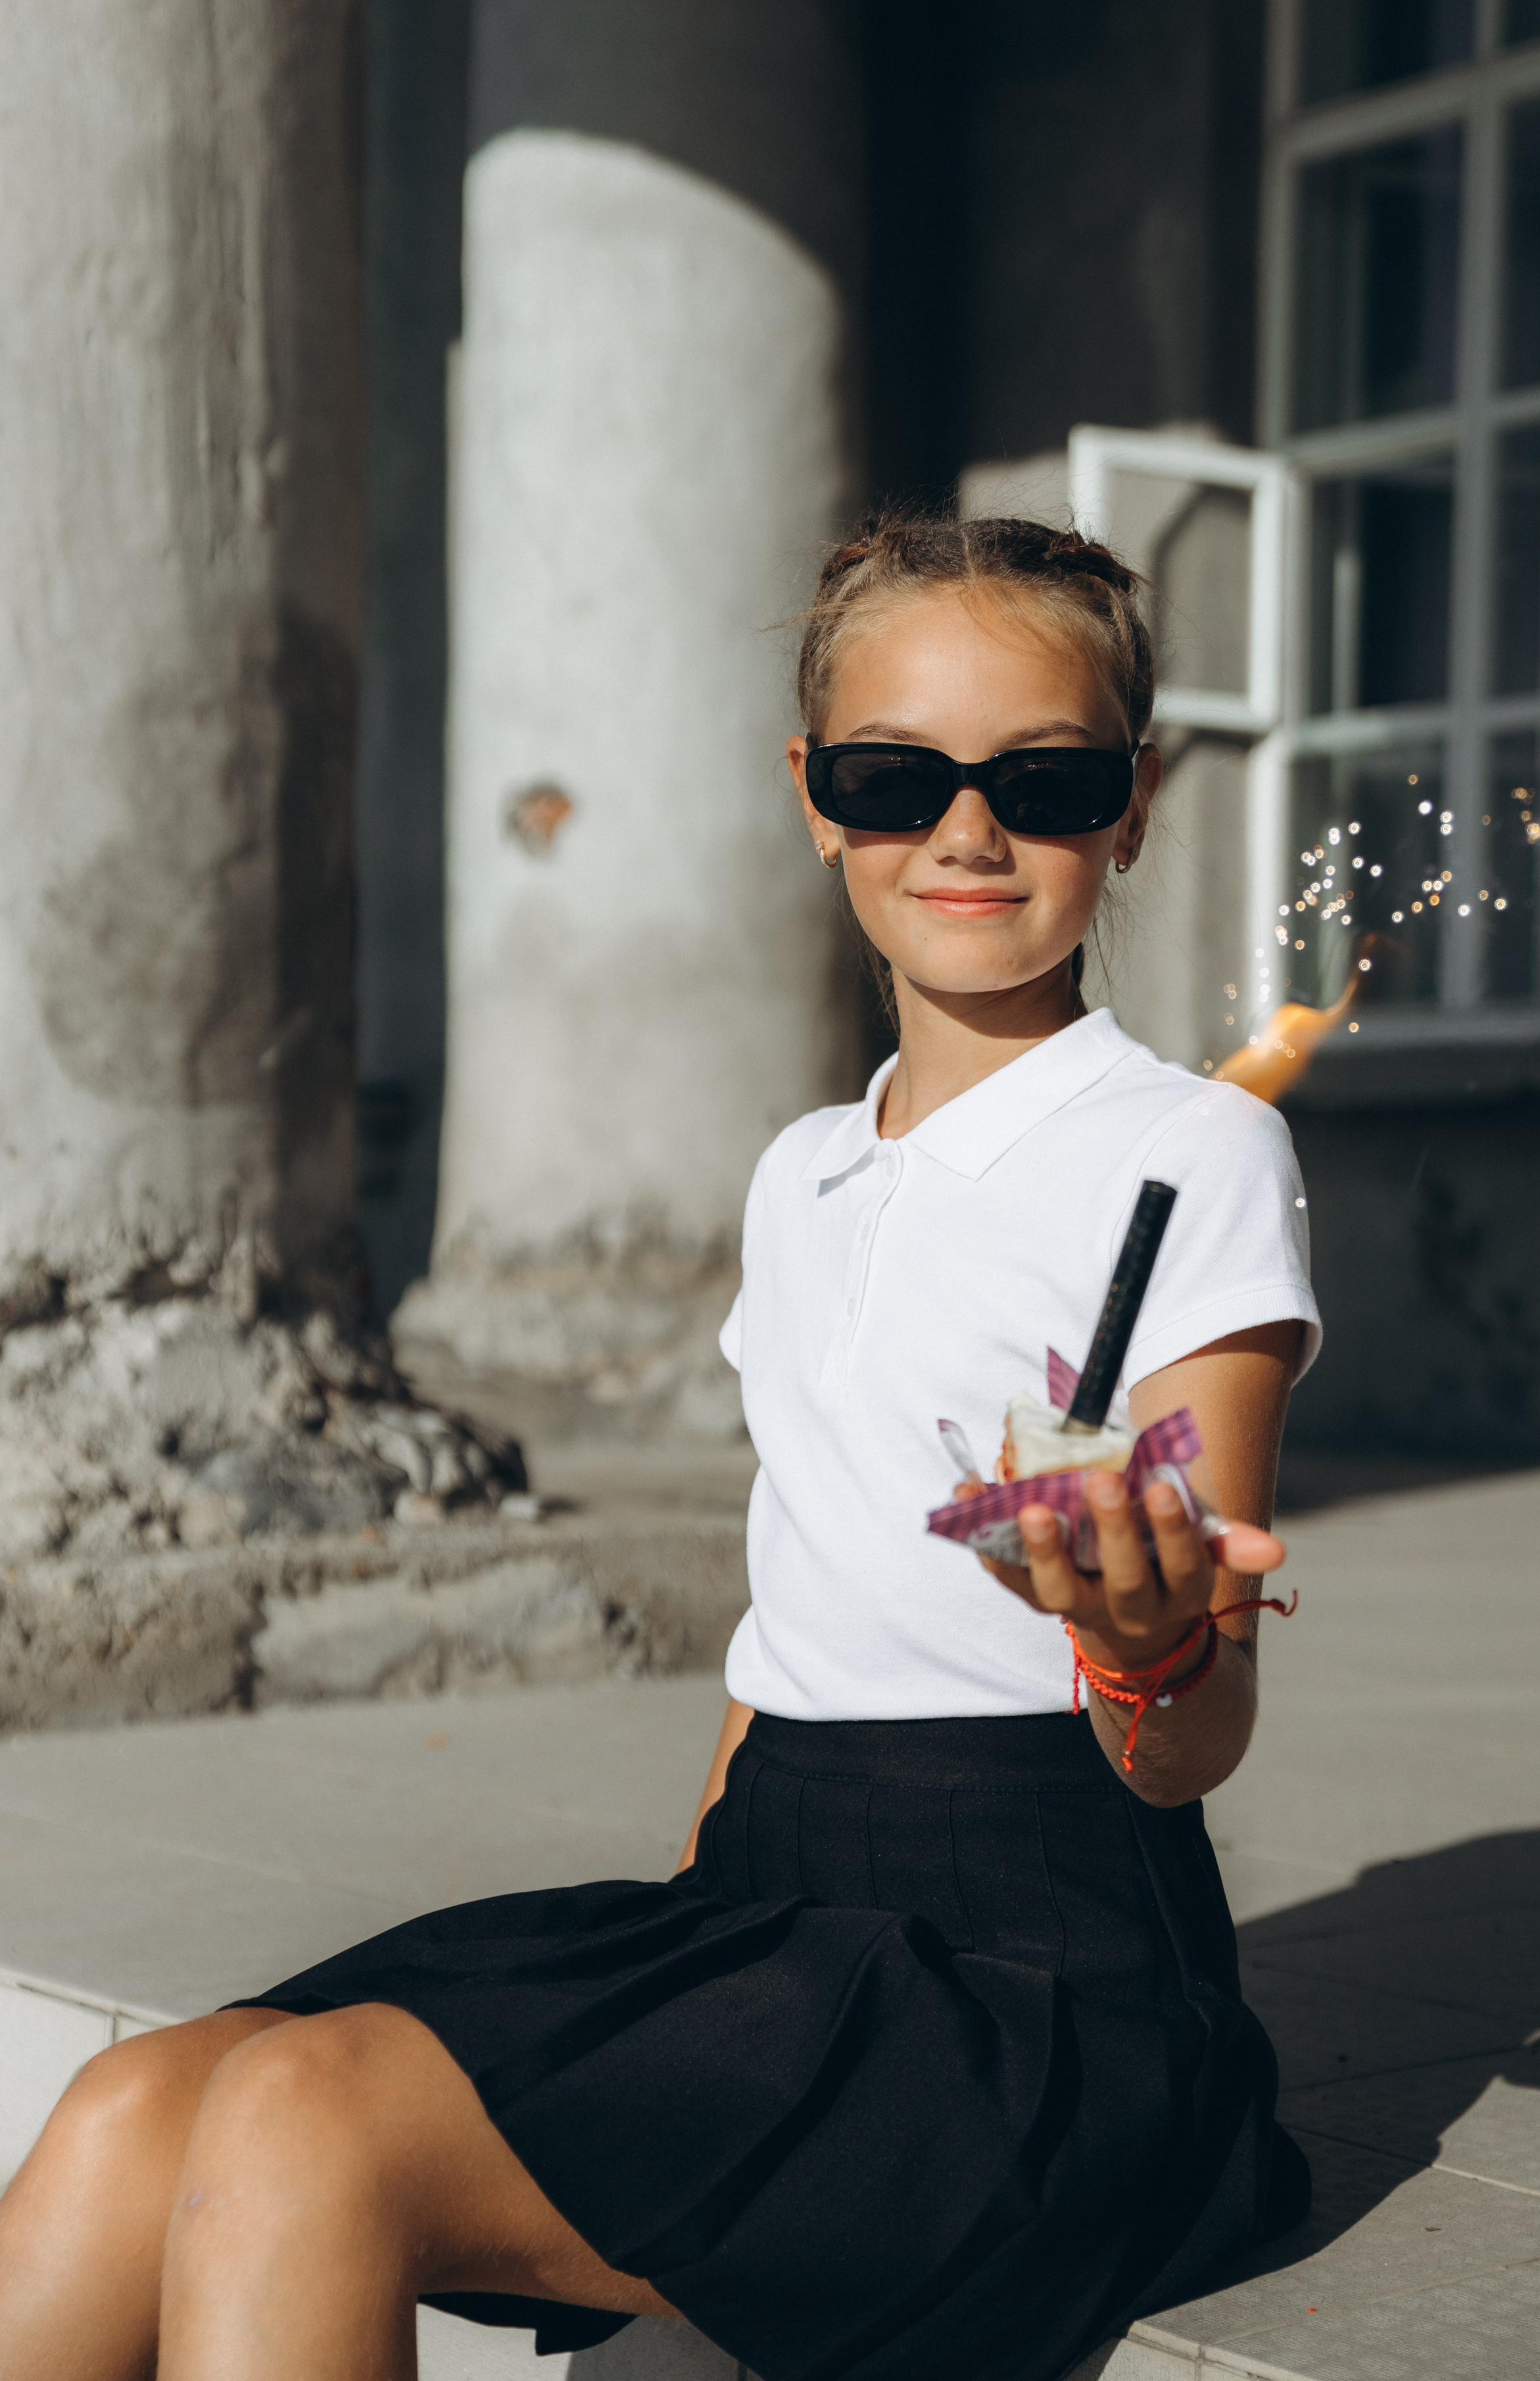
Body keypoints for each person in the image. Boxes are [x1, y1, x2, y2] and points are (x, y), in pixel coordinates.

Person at [0, 515, 1320, 2381]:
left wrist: (1142, 1636)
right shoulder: (802, 1173)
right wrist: (688, 1939)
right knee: (135, 2111)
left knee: (311, 2122)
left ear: (1134, 800)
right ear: (814, 797)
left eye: (1046, 778)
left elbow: (1188, 1747)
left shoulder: (1186, 1157)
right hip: (772, 1894)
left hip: (1043, 1978)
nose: (965, 832)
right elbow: (790, 1603)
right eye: (893, 777)